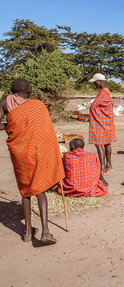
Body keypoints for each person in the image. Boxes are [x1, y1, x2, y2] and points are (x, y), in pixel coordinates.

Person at [0, 78, 64, 244]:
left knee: (25, 189)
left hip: (19, 152)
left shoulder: (4, 101)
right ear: (28, 91)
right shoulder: (37, 105)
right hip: (37, 150)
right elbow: (46, 130)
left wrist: (10, 124)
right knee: (39, 188)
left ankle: (27, 232)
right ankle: (45, 231)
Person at [89, 73, 116, 175]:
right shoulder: (106, 91)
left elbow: (94, 106)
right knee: (107, 143)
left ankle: (103, 168)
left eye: (95, 82)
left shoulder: (103, 92)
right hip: (106, 122)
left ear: (100, 81)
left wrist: (93, 111)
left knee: (99, 144)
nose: (94, 84)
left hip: (100, 123)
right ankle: (109, 165)